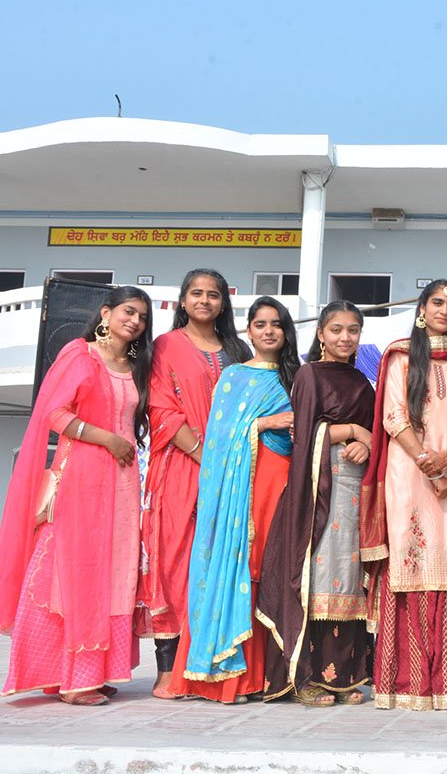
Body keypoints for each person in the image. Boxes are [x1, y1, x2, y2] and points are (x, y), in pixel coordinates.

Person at [0, 286, 154, 705]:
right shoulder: (80, 355)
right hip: (82, 473)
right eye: (128, 312)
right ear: (106, 313)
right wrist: (107, 439)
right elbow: (55, 414)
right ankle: (71, 677)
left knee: (116, 571)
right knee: (74, 569)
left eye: (142, 316)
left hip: (123, 482)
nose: (135, 321)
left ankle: (96, 671)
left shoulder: (135, 366)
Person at [360, 279, 447, 710]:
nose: (444, 310)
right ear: (421, 308)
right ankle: (407, 683)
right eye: (437, 302)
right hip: (408, 474)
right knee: (410, 563)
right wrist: (427, 464)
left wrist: (446, 456)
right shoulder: (399, 354)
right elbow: (393, 417)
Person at [169, 296, 300, 703]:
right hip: (244, 486)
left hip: (284, 482)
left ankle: (269, 677)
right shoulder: (234, 376)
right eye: (260, 324)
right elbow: (219, 440)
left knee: (271, 569)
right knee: (243, 565)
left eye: (276, 324)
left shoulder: (297, 377)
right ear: (249, 331)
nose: (269, 331)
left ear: (286, 332)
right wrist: (264, 422)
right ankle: (231, 678)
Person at [136, 268, 250, 699]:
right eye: (196, 293)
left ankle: (214, 665)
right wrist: (206, 458)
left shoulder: (238, 350)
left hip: (234, 471)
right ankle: (170, 666)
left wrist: (227, 462)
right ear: (183, 301)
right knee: (175, 561)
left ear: (223, 303)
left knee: (224, 561)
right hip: (183, 466)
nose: (205, 300)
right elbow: (162, 410)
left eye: (213, 294)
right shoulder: (165, 346)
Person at [257, 301, 375, 707]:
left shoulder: (362, 383)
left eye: (353, 330)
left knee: (349, 579)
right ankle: (305, 677)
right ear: (321, 334)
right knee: (317, 578)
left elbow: (375, 437)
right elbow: (305, 434)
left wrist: (365, 443)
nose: (345, 337)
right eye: (336, 329)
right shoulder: (310, 375)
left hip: (354, 493)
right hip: (318, 490)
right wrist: (352, 430)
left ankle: (342, 676)